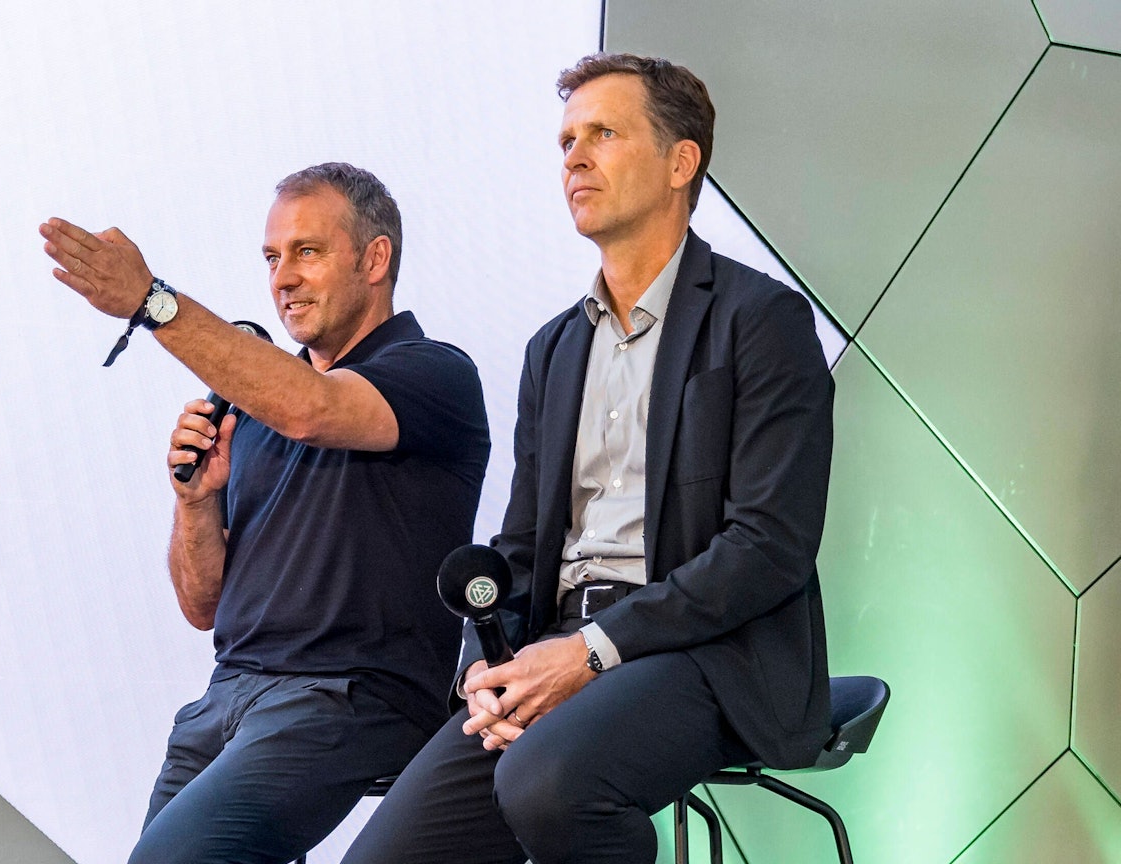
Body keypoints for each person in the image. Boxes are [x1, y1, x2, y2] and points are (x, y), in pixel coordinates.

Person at [342, 53, 834, 864]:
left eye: (603, 133)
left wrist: (594, 651)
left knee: (548, 783)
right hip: (555, 646)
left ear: (682, 162)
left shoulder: (761, 319)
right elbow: (520, 546)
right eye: (567, 138)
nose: (574, 155)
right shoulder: (556, 347)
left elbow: (768, 546)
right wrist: (484, 668)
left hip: (704, 650)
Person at [39, 163, 490, 864]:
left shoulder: (432, 372)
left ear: (376, 259)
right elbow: (203, 605)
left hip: (348, 697)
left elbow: (313, 410)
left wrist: (154, 303)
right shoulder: (256, 410)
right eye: (272, 258)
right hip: (227, 699)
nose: (282, 277)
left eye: (307, 252)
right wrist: (195, 502)